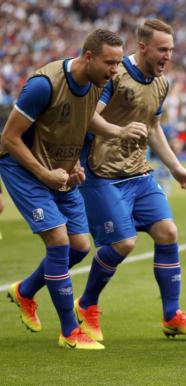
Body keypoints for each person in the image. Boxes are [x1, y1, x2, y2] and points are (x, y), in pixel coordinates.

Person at [0, 29, 146, 350]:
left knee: (80, 247)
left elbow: (83, 122)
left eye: (118, 63)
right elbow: (8, 139)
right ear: (89, 56)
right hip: (23, 168)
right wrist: (44, 173)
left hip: (61, 168)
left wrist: (78, 160)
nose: (114, 71)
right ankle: (70, 331)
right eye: (110, 62)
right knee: (59, 241)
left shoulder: (97, 84)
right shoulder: (44, 85)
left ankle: (25, 292)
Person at [74, 19, 186, 342]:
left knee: (168, 231)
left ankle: (172, 315)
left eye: (171, 50)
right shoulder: (113, 77)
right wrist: (119, 132)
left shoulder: (162, 83)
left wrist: (175, 167)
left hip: (139, 173)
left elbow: (153, 127)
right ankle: (86, 305)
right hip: (102, 173)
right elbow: (88, 118)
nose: (168, 56)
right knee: (123, 243)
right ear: (142, 47)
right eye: (162, 50)